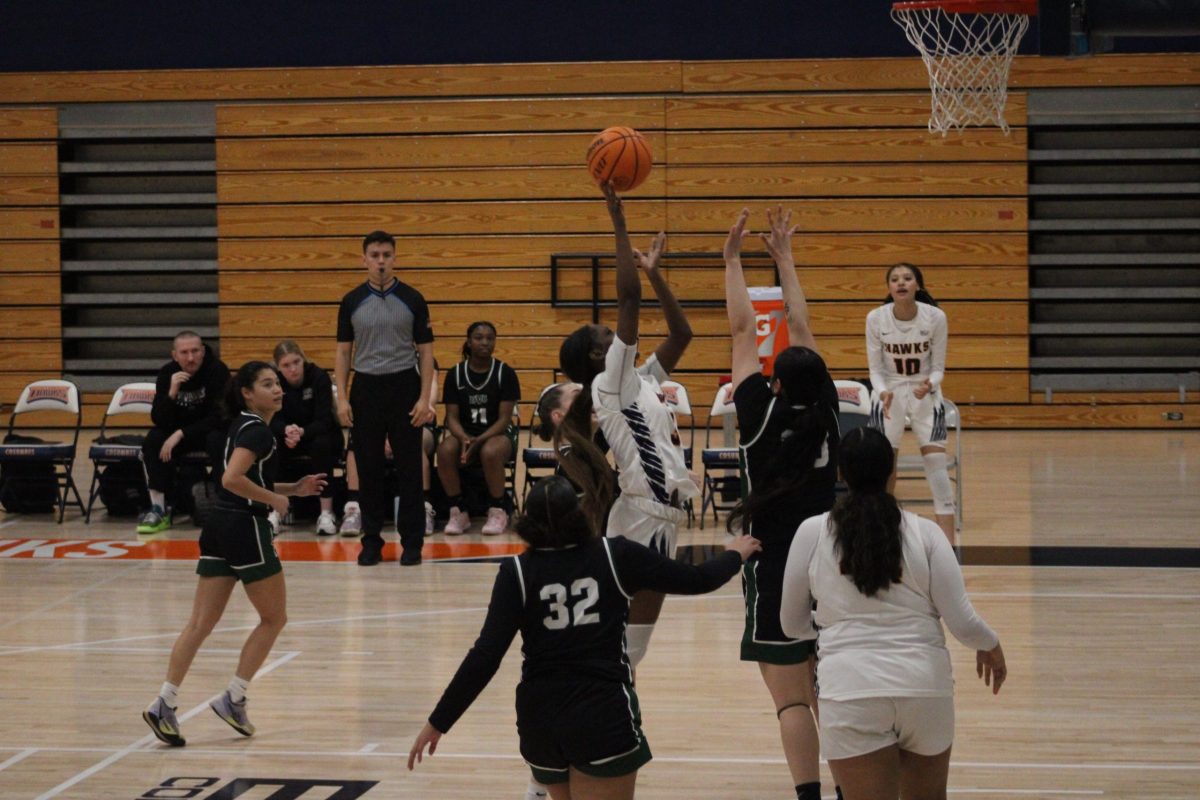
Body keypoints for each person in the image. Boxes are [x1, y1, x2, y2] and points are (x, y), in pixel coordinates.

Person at [408, 476, 762, 800]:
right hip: (600, 714)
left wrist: (439, 721)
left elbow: (484, 657)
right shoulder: (614, 554)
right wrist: (734, 555)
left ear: (527, 522)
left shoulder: (515, 571)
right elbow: (697, 580)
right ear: (580, 514)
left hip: (540, 722)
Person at [780, 427, 1007, 800]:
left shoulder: (811, 532)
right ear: (893, 472)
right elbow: (962, 621)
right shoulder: (928, 534)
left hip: (850, 689)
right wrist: (990, 643)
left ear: (841, 474)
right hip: (924, 686)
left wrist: (832, 631)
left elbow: (791, 624)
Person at [142, 361, 327, 747]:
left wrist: (294, 488)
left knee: (199, 624)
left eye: (277, 383)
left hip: (219, 526)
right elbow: (232, 479)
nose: (277, 389)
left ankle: (165, 702)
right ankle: (234, 697)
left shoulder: (242, 425)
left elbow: (246, 478)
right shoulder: (257, 430)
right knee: (274, 618)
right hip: (245, 527)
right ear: (246, 392)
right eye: (266, 384)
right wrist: (276, 499)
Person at [723, 207, 840, 800]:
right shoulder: (831, 417)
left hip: (774, 566)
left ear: (773, 384)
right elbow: (801, 323)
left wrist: (733, 259)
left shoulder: (756, 414)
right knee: (831, 693)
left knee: (792, 698)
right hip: (833, 562)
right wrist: (786, 257)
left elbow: (746, 331)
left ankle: (811, 798)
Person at [335, 230, 436, 567]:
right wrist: (343, 399)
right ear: (364, 259)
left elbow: (426, 351)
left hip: (404, 386)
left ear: (395, 257)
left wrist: (424, 399)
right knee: (369, 469)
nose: (381, 261)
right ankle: (372, 541)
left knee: (410, 470)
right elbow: (343, 352)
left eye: (386, 255)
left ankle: (412, 544)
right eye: (375, 255)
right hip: (366, 388)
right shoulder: (351, 301)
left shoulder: (413, 298)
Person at [865, 262, 955, 542]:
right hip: (888, 392)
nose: (901, 283)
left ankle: (947, 545)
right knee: (883, 468)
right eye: (894, 279)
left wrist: (931, 383)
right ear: (889, 287)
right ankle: (883, 537)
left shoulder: (936, 317)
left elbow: (938, 366)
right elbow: (875, 370)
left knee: (936, 465)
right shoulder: (875, 318)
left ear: (918, 285)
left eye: (907, 278)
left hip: (924, 391)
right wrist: (881, 391)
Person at [137, 331, 231, 534]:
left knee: (219, 439)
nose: (190, 358)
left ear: (203, 351)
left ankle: (225, 505)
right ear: (175, 355)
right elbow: (159, 419)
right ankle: (159, 508)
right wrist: (171, 393)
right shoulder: (166, 374)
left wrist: (181, 433)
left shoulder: (217, 371)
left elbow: (220, 417)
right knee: (154, 439)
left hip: (207, 432)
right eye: (184, 352)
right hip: (177, 435)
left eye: (195, 351)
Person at [339, 359, 439, 537]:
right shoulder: (377, 358)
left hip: (417, 423)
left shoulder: (423, 359)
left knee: (415, 442)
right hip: (382, 423)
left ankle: (424, 506)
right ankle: (354, 507)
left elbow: (432, 390)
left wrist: (426, 405)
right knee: (356, 441)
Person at [438, 321, 521, 536]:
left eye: (489, 338)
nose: (485, 342)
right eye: (479, 337)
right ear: (469, 341)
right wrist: (465, 438)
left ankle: (498, 509)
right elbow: (451, 417)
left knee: (490, 451)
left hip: (498, 433)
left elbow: (504, 419)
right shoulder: (455, 374)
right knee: (445, 450)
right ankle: (459, 511)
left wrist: (478, 440)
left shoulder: (505, 373)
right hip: (464, 432)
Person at [271, 340, 343, 535]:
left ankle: (326, 512)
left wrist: (301, 432)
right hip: (289, 436)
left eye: (296, 362)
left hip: (319, 434)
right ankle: (275, 510)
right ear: (278, 367)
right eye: (286, 365)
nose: (293, 369)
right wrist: (286, 430)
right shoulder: (274, 383)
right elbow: (271, 418)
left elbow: (325, 420)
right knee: (272, 445)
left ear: (303, 359)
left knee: (321, 445)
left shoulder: (318, 377)